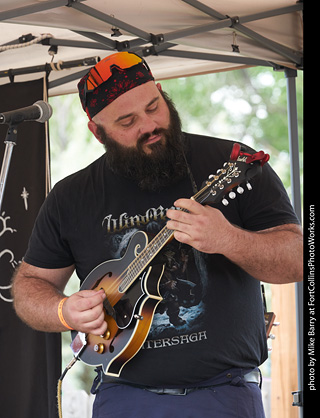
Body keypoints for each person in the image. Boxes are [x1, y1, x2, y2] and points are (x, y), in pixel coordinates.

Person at [11, 52, 303, 418]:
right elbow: (29, 284)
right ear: (97, 132)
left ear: (163, 94)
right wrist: (63, 310)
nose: (149, 125)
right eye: (127, 121)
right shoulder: (71, 197)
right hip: (123, 396)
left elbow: (297, 258)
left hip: (224, 394)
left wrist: (227, 238)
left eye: (154, 106)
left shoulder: (229, 162)